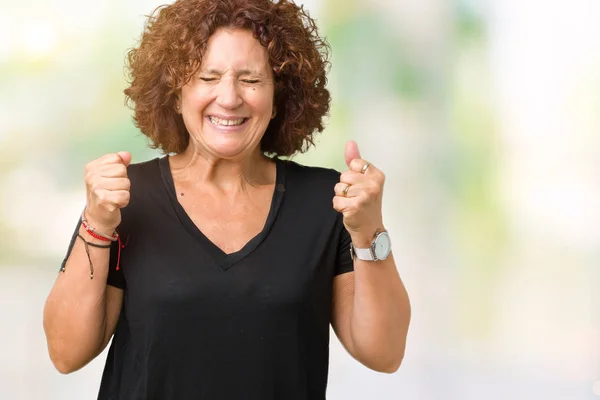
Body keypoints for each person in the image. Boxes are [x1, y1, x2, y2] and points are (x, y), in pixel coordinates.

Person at [43, 0, 411, 398]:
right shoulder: (125, 199)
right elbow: (66, 354)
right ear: (176, 91)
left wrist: (369, 230)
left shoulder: (327, 203)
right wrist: (97, 223)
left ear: (278, 97)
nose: (229, 97)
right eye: (207, 77)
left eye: (251, 80)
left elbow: (384, 353)